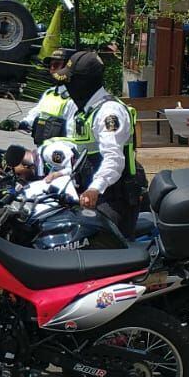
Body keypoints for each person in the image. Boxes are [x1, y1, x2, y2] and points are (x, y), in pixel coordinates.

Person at [64, 49, 146, 239]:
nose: (68, 87)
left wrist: (95, 188)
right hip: (89, 195)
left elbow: (114, 159)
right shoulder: (84, 111)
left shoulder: (109, 112)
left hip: (112, 199)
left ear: (84, 82)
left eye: (70, 81)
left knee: (98, 250)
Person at [18, 48, 72, 144]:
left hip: (60, 153)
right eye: (50, 65)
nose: (51, 69)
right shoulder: (49, 93)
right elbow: (36, 113)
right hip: (42, 149)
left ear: (67, 67)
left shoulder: (73, 98)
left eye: (56, 65)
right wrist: (20, 124)